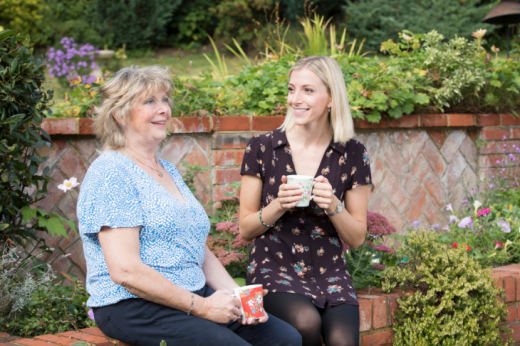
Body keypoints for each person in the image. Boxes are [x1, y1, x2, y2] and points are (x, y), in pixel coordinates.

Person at [77, 65, 302, 346]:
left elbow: (196, 247)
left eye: (165, 100)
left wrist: (239, 296)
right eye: (150, 101)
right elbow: (125, 271)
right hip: (133, 305)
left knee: (286, 338)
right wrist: (203, 307)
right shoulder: (111, 172)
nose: (164, 109)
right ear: (119, 115)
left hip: (191, 295)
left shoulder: (167, 169)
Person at [239, 56, 372, 346]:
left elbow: (358, 237)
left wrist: (334, 206)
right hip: (273, 265)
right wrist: (278, 205)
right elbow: (246, 229)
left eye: (308, 90)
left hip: (330, 269)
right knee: (305, 323)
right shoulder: (262, 148)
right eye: (291, 89)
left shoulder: (352, 153)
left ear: (331, 99)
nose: (295, 99)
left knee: (343, 341)